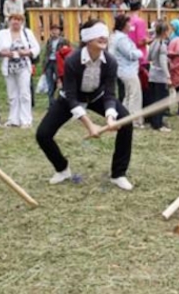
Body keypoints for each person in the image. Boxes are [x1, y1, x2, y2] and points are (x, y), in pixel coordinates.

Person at [36, 19, 134, 191]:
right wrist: (90, 125)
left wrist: (111, 117)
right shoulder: (72, 61)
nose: (103, 38)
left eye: (105, 35)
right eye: (98, 35)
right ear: (88, 39)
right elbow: (72, 98)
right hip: (70, 99)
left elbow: (110, 93)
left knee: (125, 120)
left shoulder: (110, 61)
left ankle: (118, 174)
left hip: (97, 96)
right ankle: (62, 169)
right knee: (43, 134)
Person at [0, 12, 40, 128]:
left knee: (24, 93)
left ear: (22, 22)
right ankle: (13, 119)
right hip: (9, 67)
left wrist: (26, 52)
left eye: (18, 19)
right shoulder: (3, 33)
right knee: (12, 94)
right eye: (13, 19)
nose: (16, 22)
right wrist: (5, 53)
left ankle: (26, 120)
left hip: (23, 66)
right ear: (9, 21)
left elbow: (36, 48)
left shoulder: (27, 33)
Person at [111, 14, 144, 128]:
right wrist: (140, 53)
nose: (130, 25)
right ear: (123, 25)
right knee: (135, 95)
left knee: (128, 95)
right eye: (128, 23)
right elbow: (130, 54)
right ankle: (134, 120)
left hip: (125, 70)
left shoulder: (118, 37)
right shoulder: (121, 39)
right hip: (127, 70)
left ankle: (123, 117)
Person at [145, 20, 172, 132]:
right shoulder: (163, 45)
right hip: (160, 76)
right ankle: (158, 124)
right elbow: (163, 62)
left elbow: (149, 58)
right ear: (165, 32)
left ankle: (153, 121)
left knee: (154, 99)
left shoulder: (153, 43)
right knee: (161, 100)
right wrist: (168, 76)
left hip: (152, 74)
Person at [43, 23, 63, 106]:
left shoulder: (63, 41)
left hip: (58, 63)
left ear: (59, 31)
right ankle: (51, 103)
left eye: (56, 30)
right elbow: (46, 53)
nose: (54, 32)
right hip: (49, 63)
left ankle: (60, 102)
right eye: (53, 30)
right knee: (49, 84)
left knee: (60, 82)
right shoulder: (49, 40)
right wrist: (44, 64)